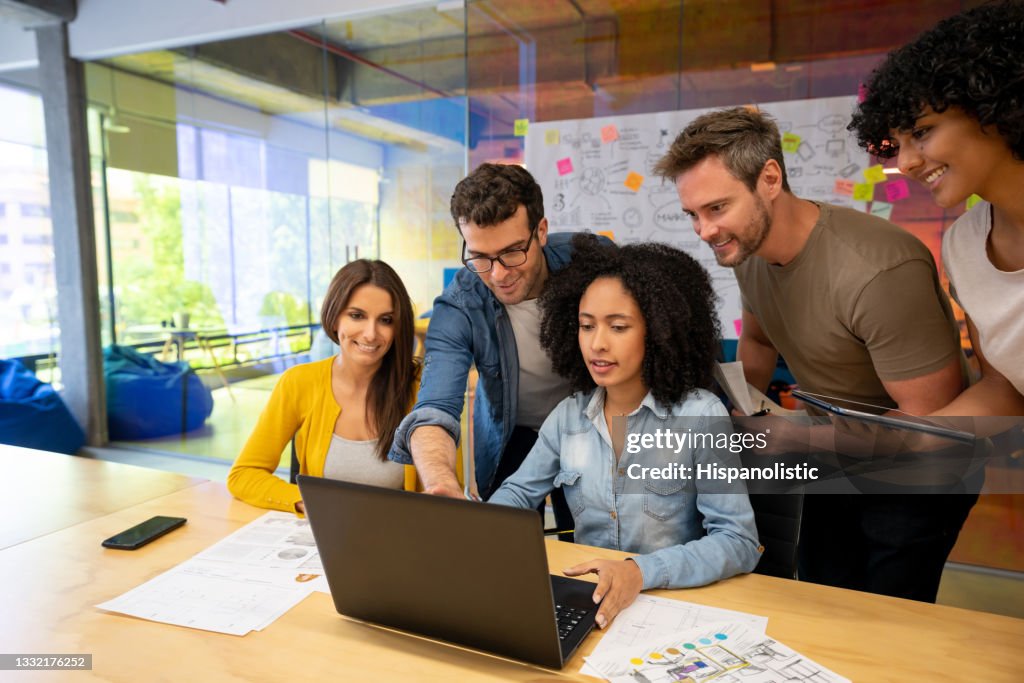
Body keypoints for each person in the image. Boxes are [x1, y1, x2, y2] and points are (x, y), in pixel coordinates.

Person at [653, 106, 975, 602]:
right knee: (822, 599)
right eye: (692, 214)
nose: (704, 231)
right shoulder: (748, 251)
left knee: (888, 619)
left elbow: (928, 425)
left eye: (717, 208)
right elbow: (759, 341)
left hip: (916, 473)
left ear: (769, 179)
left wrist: (799, 437)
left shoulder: (878, 270)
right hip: (832, 453)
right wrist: (737, 414)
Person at [489, 234, 761, 629]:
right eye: (586, 326)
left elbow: (738, 542)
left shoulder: (701, 415)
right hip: (591, 607)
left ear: (658, 331)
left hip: (672, 609)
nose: (597, 344)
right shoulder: (568, 417)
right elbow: (517, 493)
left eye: (618, 327)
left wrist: (640, 571)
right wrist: (479, 528)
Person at [388, 163, 609, 532]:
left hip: (591, 428)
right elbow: (434, 409)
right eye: (480, 256)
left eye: (512, 252)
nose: (498, 274)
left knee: (590, 540)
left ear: (541, 231)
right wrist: (441, 483)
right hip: (512, 435)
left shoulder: (592, 261)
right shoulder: (460, 303)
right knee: (508, 542)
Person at [848, 0, 1024, 417]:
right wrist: (902, 439)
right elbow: (1005, 391)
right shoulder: (964, 245)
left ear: (993, 105)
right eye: (896, 144)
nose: (906, 162)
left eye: (922, 132)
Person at [228, 260, 418, 513]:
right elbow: (244, 474)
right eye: (357, 316)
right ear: (334, 317)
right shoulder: (299, 382)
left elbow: (445, 493)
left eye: (385, 320)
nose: (371, 334)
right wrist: (310, 502)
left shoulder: (422, 387)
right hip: (324, 531)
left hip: (397, 531)